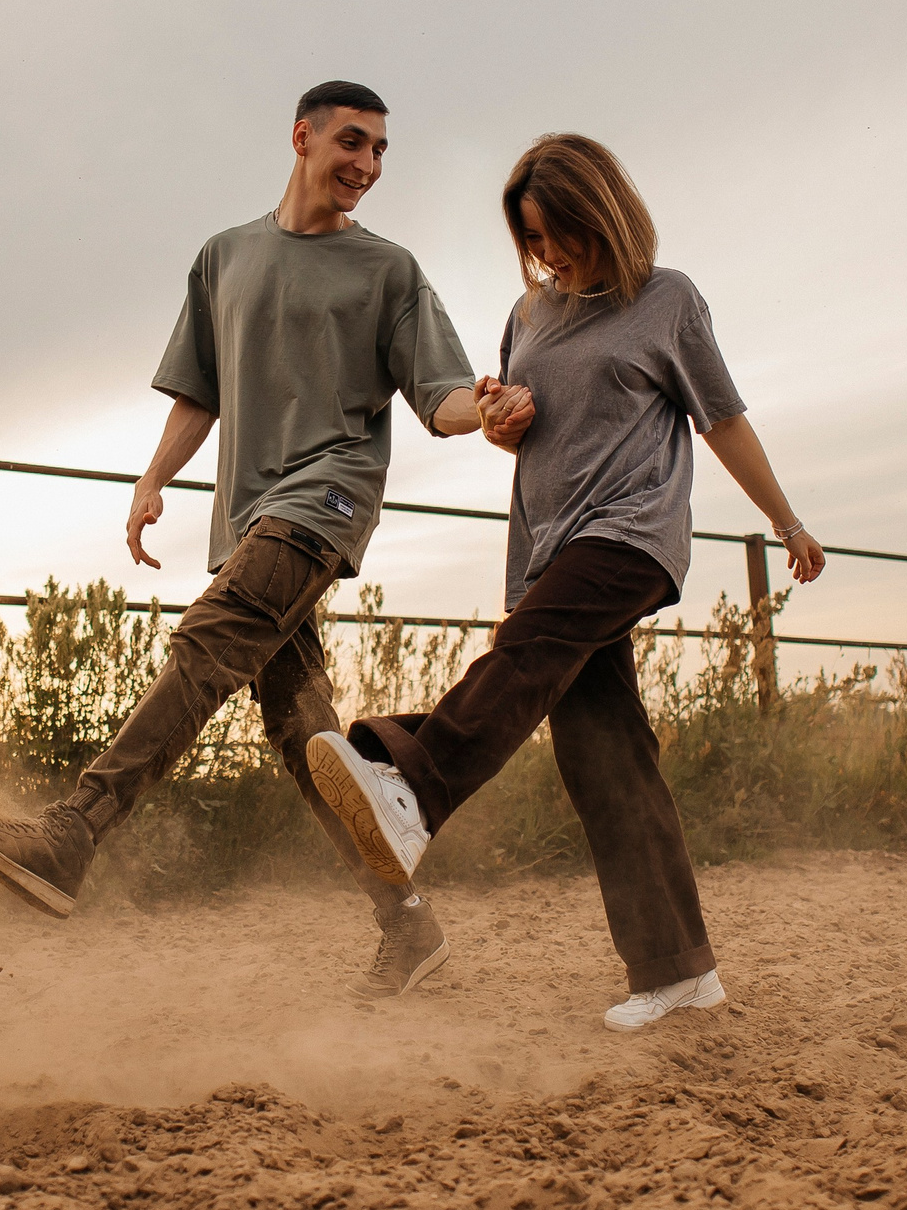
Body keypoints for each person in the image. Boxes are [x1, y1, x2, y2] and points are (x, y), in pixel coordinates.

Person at [0, 82, 528, 1000]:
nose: (367, 166)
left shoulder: (390, 271)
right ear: (302, 137)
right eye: (352, 143)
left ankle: (74, 831)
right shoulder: (225, 257)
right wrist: (150, 479)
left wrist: (480, 409)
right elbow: (201, 391)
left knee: (215, 635)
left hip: (327, 496)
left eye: (380, 152)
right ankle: (409, 926)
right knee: (304, 734)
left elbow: (440, 392)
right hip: (249, 513)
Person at [307, 132, 825, 1032]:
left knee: (529, 648)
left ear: (603, 213)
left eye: (560, 233)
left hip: (630, 533)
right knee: (606, 760)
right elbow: (516, 427)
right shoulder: (527, 314)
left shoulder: (667, 301)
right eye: (533, 239)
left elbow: (724, 419)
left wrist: (787, 521)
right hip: (547, 546)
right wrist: (501, 420)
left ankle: (414, 784)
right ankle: (678, 970)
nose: (548, 254)